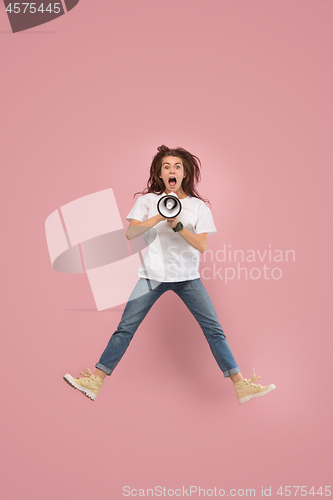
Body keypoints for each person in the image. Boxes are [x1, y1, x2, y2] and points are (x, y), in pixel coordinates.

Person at [63, 145, 276, 404]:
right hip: (151, 276)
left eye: (177, 166)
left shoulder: (198, 207)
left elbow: (202, 245)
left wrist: (178, 226)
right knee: (125, 328)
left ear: (185, 174)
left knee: (214, 330)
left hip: (187, 278)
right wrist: (158, 217)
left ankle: (241, 386)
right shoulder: (147, 201)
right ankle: (95, 382)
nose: (172, 170)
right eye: (166, 167)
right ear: (160, 174)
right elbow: (131, 234)